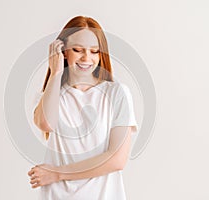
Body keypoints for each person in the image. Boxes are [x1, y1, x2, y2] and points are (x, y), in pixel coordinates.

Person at [28, 16, 138, 200]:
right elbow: (45, 124)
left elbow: (117, 160)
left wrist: (57, 174)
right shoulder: (52, 94)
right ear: (62, 51)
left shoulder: (117, 93)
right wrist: (55, 72)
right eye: (78, 50)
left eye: (94, 51)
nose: (87, 58)